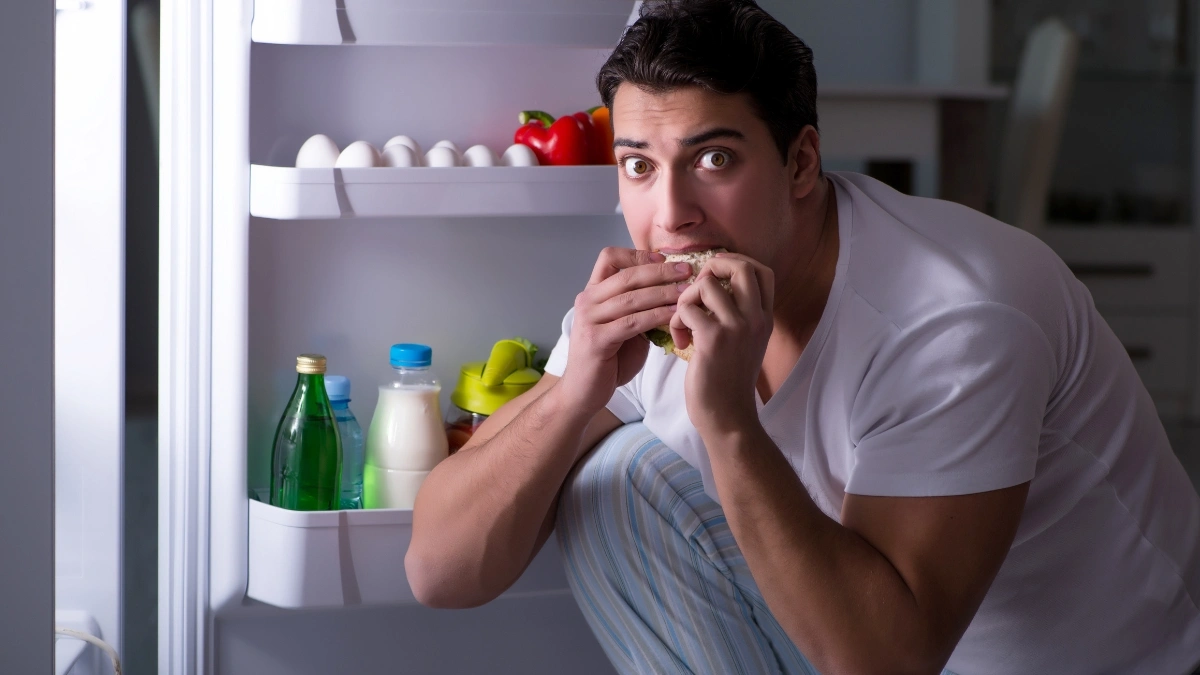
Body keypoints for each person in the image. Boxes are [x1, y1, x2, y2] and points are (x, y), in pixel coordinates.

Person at [405, 1, 1200, 672]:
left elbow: (890, 660)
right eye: (639, 166)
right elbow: (437, 571)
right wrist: (574, 387)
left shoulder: (954, 317)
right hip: (847, 629)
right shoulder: (656, 290)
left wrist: (727, 421)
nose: (671, 212)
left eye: (713, 157)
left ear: (801, 162)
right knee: (610, 474)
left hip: (1088, 659)